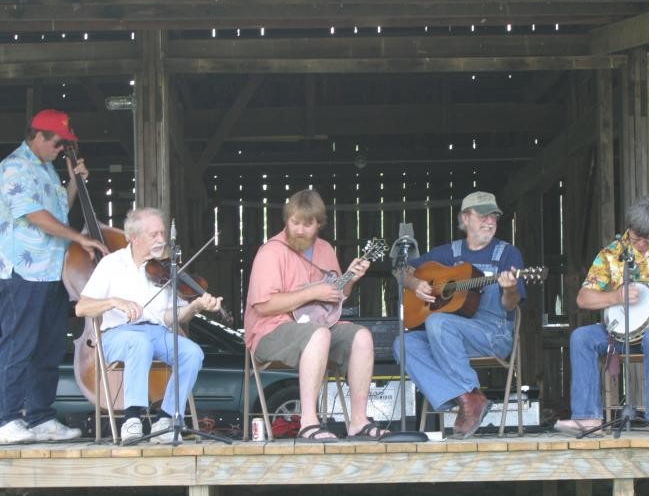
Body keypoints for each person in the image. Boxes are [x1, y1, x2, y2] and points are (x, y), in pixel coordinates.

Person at [554, 197, 649, 437]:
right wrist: (617, 296)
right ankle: (587, 418)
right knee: (581, 336)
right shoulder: (611, 254)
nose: (643, 244)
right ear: (628, 229)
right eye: (637, 238)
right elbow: (583, 299)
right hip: (622, 333)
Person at [244, 189, 388, 442]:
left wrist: (350, 280)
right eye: (294, 222)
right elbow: (264, 306)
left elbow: (334, 298)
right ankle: (308, 423)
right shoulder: (271, 252)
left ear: (318, 224)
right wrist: (311, 292)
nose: (299, 230)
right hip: (271, 331)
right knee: (319, 335)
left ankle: (358, 421)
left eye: (307, 224)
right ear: (286, 220)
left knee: (362, 337)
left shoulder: (325, 250)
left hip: (318, 326)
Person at [0, 109, 109, 445]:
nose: (62, 149)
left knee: (48, 347)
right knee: (19, 345)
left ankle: (39, 417)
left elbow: (62, 210)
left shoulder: (46, 170)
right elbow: (36, 217)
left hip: (52, 271)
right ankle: (5, 420)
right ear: (38, 136)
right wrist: (80, 238)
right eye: (59, 142)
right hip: (23, 272)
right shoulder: (14, 168)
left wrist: (75, 182)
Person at [75, 207, 223, 443]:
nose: (161, 240)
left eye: (163, 234)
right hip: (117, 335)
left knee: (192, 353)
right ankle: (131, 418)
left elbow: (169, 318)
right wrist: (114, 301)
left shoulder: (164, 269)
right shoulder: (111, 264)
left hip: (157, 332)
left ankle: (166, 418)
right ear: (133, 238)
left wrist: (195, 307)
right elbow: (81, 307)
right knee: (138, 341)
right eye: (154, 235)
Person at [392, 191, 526, 439]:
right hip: (446, 335)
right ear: (465, 218)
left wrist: (509, 290)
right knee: (403, 343)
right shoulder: (448, 253)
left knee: (438, 321)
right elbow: (401, 271)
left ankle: (466, 397)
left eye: (494, 217)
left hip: (491, 334)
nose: (490, 222)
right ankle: (469, 398)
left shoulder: (507, 254)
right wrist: (413, 285)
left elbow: (509, 306)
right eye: (483, 215)